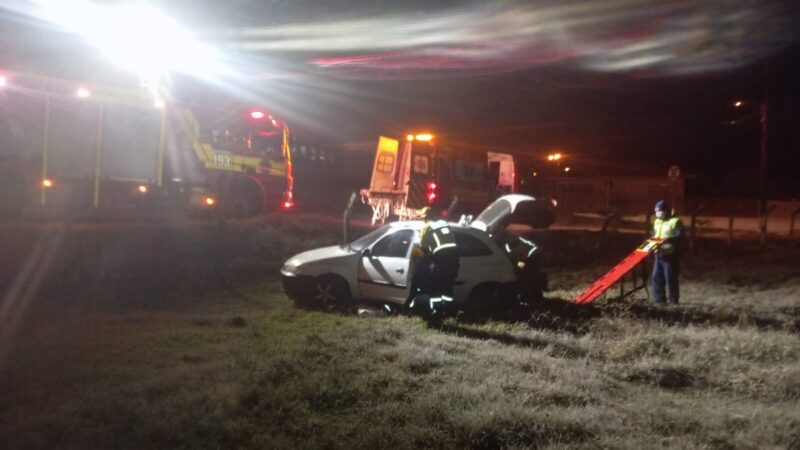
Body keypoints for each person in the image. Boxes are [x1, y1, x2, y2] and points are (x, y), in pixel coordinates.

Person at [407, 207, 460, 321]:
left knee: (435, 286)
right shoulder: (443, 223)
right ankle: (449, 311)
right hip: (454, 259)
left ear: (425, 218)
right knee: (447, 286)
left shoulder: (427, 226)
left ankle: (435, 313)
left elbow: (422, 244)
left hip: (441, 259)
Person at [652, 200, 684, 305]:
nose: (657, 213)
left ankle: (673, 300)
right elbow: (655, 235)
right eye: (656, 211)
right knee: (656, 276)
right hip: (658, 253)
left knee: (670, 277)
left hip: (670, 254)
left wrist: (668, 239)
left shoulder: (675, 221)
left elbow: (680, 236)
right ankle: (659, 299)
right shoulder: (657, 222)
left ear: (665, 211)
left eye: (659, 210)